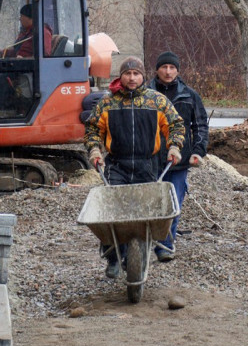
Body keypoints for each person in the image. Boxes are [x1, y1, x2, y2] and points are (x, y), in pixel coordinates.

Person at [85, 56, 185, 278]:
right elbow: (92, 129)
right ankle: (112, 258)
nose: (132, 78)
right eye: (127, 73)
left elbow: (175, 124)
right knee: (112, 215)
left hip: (146, 165)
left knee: (143, 215)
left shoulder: (156, 101)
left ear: (143, 76)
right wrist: (94, 150)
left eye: (136, 74)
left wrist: (174, 146)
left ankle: (143, 252)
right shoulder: (107, 102)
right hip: (117, 165)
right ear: (120, 76)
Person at [152, 51, 209, 262]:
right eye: (164, 67)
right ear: (157, 69)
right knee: (155, 203)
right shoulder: (147, 93)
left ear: (177, 70)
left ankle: (165, 245)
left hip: (179, 160)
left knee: (174, 203)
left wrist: (198, 150)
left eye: (172, 68)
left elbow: (200, 125)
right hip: (151, 158)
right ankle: (150, 240)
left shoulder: (189, 95)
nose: (168, 72)